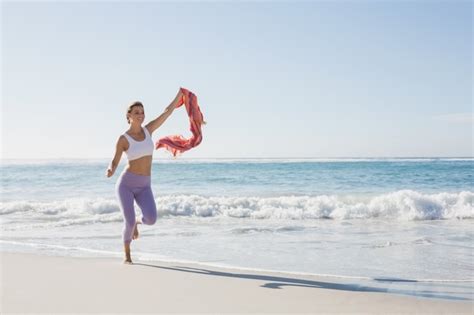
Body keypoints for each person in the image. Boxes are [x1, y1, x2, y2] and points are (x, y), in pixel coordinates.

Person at [106, 89, 184, 264]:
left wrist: (179, 96)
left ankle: (136, 224)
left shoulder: (149, 130)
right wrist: (110, 169)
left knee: (151, 219)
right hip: (126, 184)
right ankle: (127, 254)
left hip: (144, 185)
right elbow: (115, 160)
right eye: (136, 113)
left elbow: (167, 112)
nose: (140, 115)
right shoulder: (124, 139)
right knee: (129, 219)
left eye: (142, 112)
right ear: (129, 116)